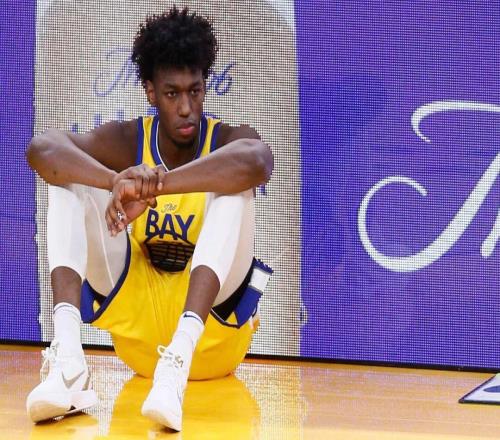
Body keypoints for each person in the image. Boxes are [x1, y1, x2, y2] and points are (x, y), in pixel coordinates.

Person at [25, 5, 273, 431]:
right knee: (65, 180)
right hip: (139, 341)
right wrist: (116, 181)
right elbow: (42, 150)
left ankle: (178, 359)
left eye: (195, 91)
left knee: (235, 188)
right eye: (172, 94)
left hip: (210, 343)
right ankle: (68, 362)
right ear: (150, 92)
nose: (186, 108)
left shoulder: (226, 139)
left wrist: (156, 186)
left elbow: (257, 161)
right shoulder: (127, 140)